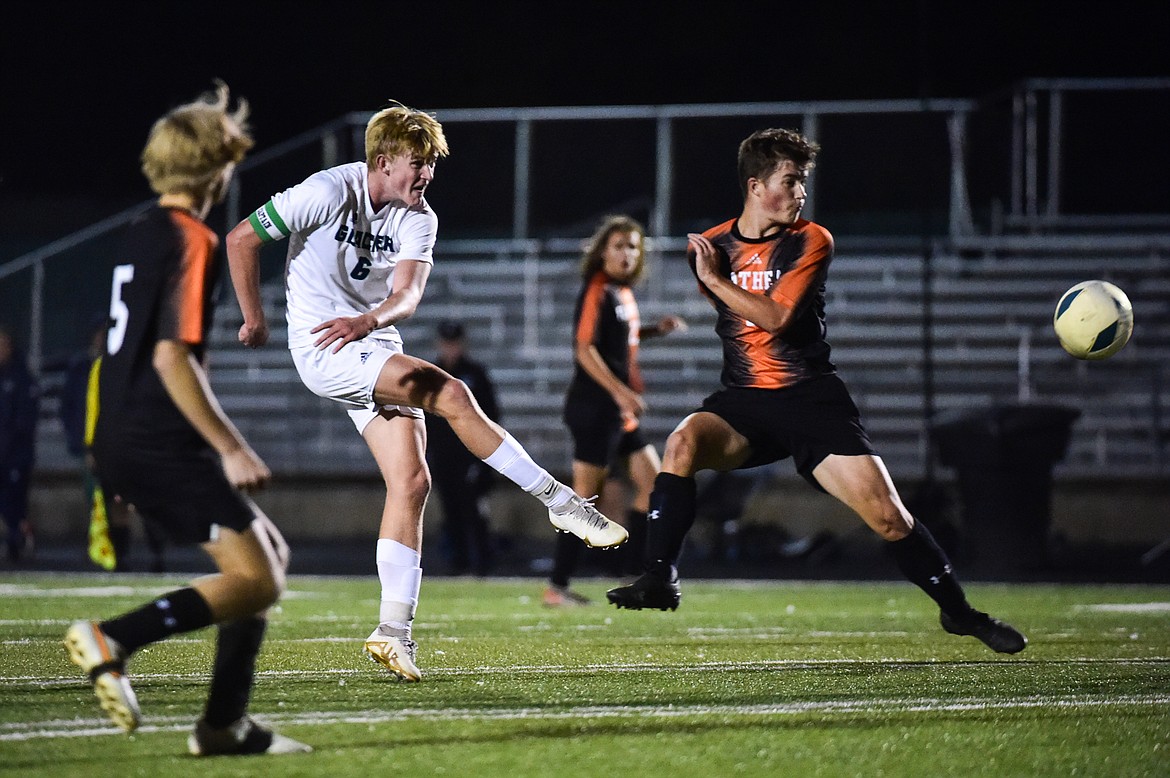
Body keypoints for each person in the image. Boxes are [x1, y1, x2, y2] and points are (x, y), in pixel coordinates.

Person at [225, 101, 628, 681]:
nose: (428, 175)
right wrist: (254, 319)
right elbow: (241, 239)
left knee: (413, 481)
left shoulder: (419, 216)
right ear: (383, 161)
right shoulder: (325, 191)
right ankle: (559, 502)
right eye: (419, 163)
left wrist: (368, 322)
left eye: (433, 164)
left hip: (370, 341)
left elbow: (408, 297)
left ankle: (393, 632)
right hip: (323, 348)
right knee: (453, 394)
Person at [606, 128, 1027, 655]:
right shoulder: (713, 247)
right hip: (746, 401)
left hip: (811, 400)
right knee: (683, 441)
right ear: (756, 185)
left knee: (889, 517)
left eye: (803, 181)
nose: (801, 193)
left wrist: (717, 282)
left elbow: (779, 318)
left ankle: (960, 613)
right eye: (791, 180)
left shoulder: (810, 240)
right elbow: (739, 322)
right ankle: (660, 573)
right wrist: (714, 279)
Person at [64, 82, 310, 755]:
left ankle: (221, 725)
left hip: (125, 431)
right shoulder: (194, 238)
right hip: (155, 436)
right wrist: (229, 446)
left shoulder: (138, 230)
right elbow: (173, 356)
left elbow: (120, 353)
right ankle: (115, 637)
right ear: (218, 166)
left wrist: (108, 450)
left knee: (268, 560)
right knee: (259, 578)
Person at [544, 215, 686, 606]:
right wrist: (621, 391)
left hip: (616, 412)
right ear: (603, 251)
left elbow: (621, 337)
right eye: (619, 245)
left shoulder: (621, 293)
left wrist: (655, 330)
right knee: (582, 499)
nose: (627, 253)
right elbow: (585, 348)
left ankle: (633, 568)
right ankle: (556, 586)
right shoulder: (597, 290)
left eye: (634, 247)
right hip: (595, 408)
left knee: (654, 483)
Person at [426, 320, 500, 576]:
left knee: (476, 510)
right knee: (451, 510)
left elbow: (491, 415)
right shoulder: (432, 375)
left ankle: (482, 563)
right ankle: (457, 563)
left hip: (471, 455)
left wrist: (485, 458)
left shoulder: (475, 374)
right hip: (443, 455)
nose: (450, 349)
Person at [0, 325, 39, 562]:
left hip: (15, 455)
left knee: (14, 503)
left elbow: (23, 423)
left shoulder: (21, 378)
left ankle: (18, 542)